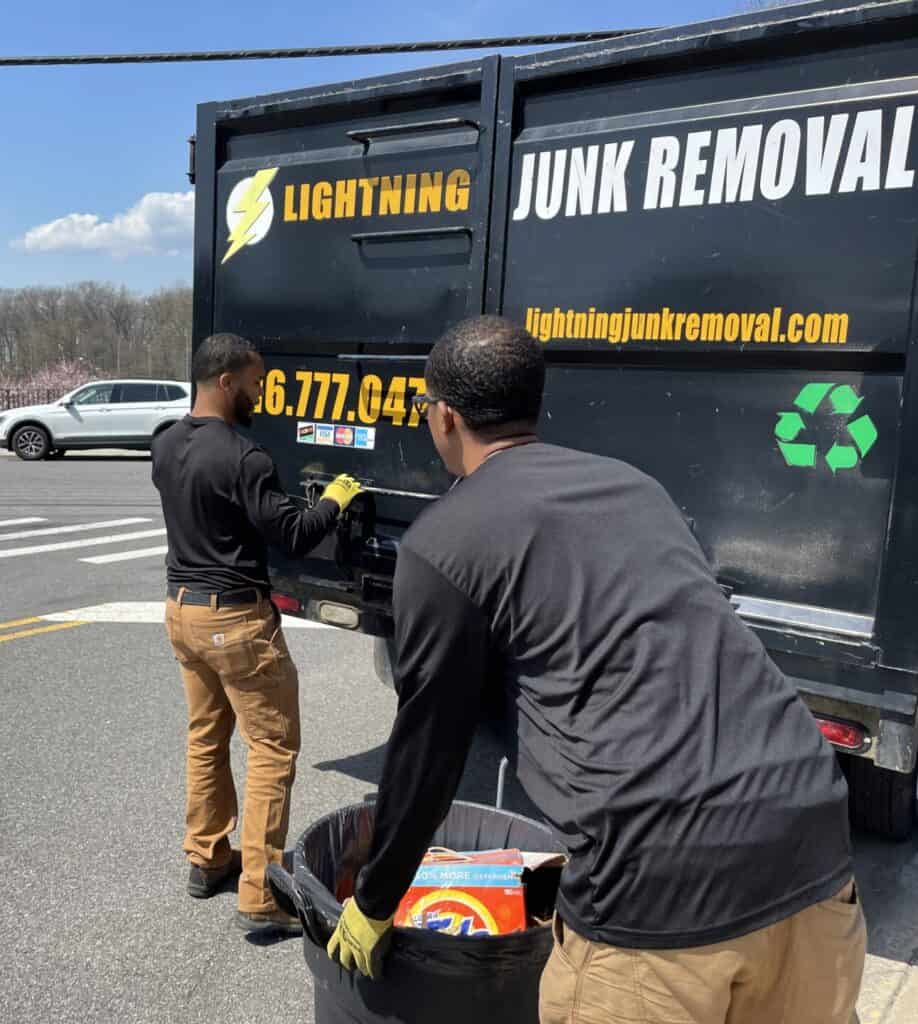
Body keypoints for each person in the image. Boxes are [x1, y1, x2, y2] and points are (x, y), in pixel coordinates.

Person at [326, 316, 865, 1023]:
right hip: (813, 840)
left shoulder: (443, 542)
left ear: (445, 417)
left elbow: (432, 741)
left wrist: (375, 900)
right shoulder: (631, 487)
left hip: (659, 890)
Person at [152, 332, 362, 934]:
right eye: (255, 380)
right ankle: (260, 893)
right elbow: (292, 534)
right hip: (237, 622)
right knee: (272, 750)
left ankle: (207, 857)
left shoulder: (164, 443)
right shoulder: (246, 458)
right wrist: (335, 502)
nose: (261, 390)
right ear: (225, 381)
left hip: (183, 611)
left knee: (205, 739)